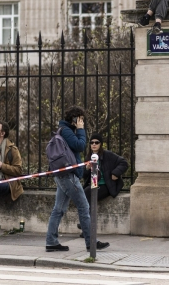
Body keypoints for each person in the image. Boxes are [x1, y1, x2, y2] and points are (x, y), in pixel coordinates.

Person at [45, 105, 110, 252]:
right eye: (81, 120)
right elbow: (80, 146)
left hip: (63, 174)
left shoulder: (63, 130)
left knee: (59, 209)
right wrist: (81, 130)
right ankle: (91, 243)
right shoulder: (67, 131)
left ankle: (51, 241)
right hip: (68, 176)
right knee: (84, 207)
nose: (82, 122)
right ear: (75, 119)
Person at [77, 133, 128, 236]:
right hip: (94, 185)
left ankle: (86, 227)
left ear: (101, 144)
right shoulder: (89, 157)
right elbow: (84, 176)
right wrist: (86, 169)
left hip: (107, 185)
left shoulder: (108, 155)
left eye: (96, 142)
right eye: (92, 143)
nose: (94, 144)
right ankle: (86, 226)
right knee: (84, 194)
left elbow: (124, 163)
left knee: (87, 194)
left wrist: (115, 173)